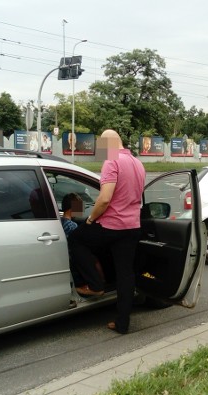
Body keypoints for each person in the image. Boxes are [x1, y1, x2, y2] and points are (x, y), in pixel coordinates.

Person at [69, 129, 145, 334]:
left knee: (77, 238)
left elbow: (104, 199)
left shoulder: (112, 162)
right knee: (125, 274)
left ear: (107, 144)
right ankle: (122, 323)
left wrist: (91, 219)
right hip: (132, 226)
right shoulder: (137, 163)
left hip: (112, 226)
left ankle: (95, 285)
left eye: (101, 146)